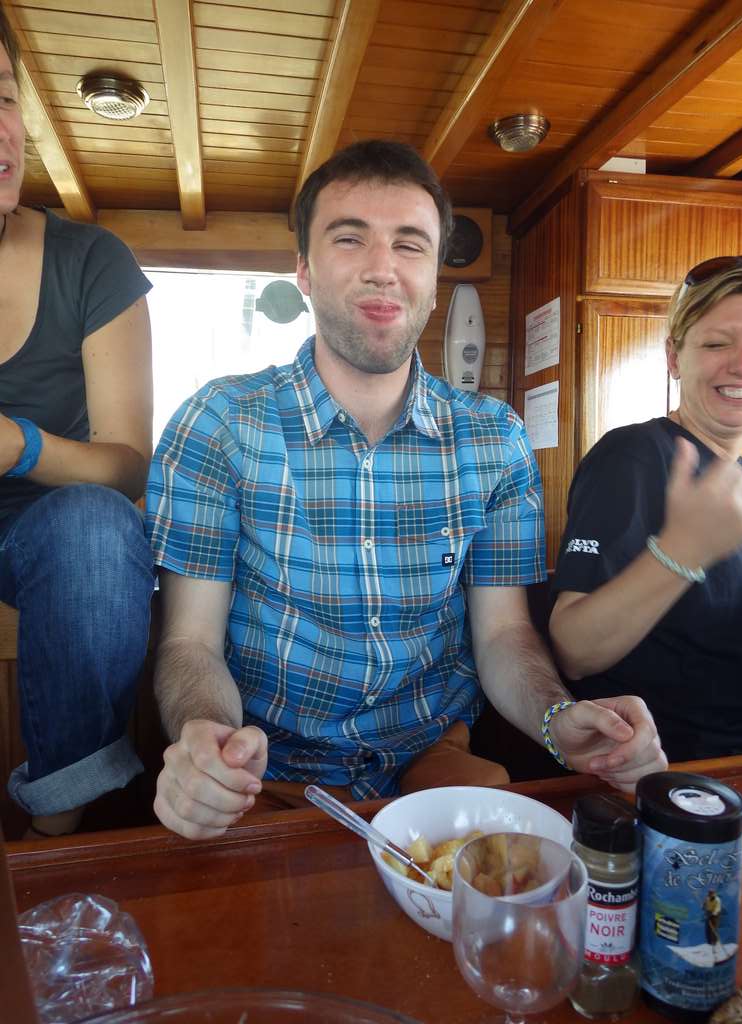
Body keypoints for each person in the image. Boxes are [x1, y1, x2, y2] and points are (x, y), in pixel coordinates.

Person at [145, 139, 666, 840]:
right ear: (304, 269)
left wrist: (557, 717)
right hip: (265, 775)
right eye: (349, 238)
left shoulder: (495, 437)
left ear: (435, 276)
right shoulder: (219, 422)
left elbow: (504, 632)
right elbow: (191, 641)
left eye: (410, 245)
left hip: (435, 764)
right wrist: (209, 742)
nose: (382, 268)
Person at [0, 5, 154, 836]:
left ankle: (54, 836)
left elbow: (128, 467)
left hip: (48, 536)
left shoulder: (92, 260)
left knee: (97, 527)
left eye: (2, 96)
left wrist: (16, 445)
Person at [550, 256, 742, 762]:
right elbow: (574, 651)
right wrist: (683, 551)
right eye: (716, 344)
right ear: (674, 358)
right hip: (677, 773)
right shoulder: (633, 456)